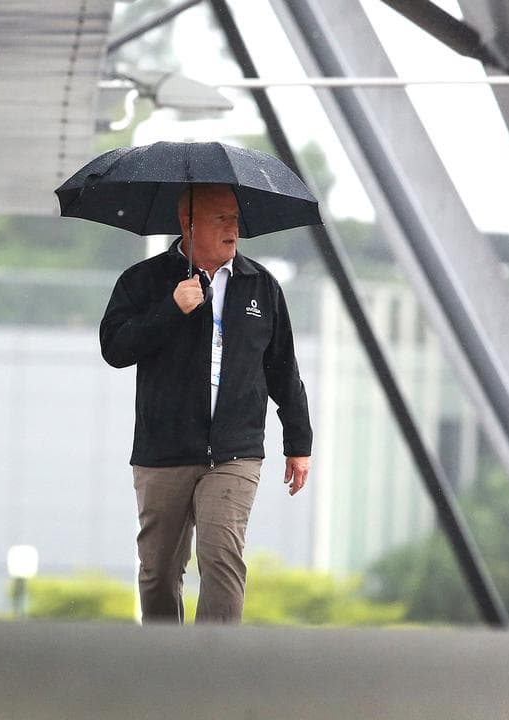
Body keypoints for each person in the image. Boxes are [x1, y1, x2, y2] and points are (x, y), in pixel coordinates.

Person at [100, 183, 312, 624]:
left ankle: (213, 671)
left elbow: (283, 369)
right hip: (164, 450)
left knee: (221, 557)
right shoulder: (143, 280)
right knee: (159, 572)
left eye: (235, 218)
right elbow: (115, 349)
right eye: (220, 218)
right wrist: (170, 308)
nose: (233, 227)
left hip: (236, 452)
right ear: (187, 223)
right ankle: (167, 667)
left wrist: (299, 441)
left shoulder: (262, 287)